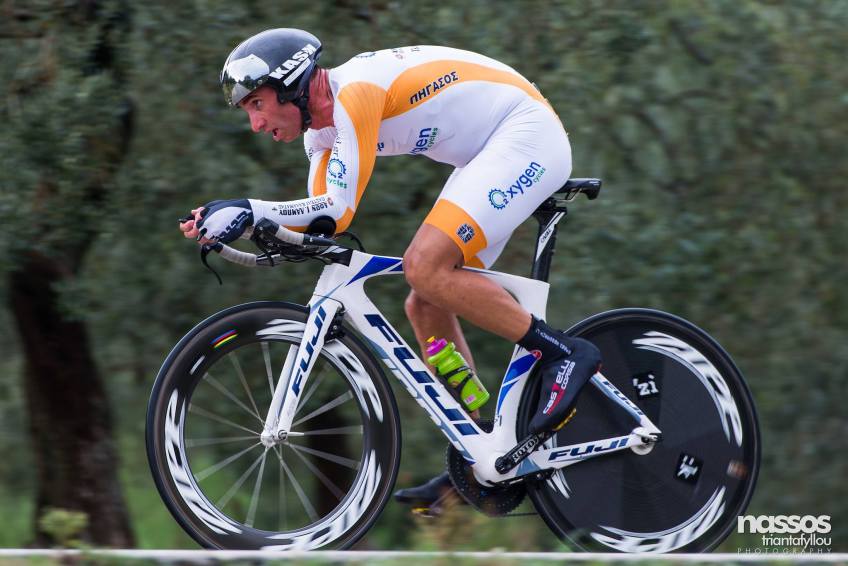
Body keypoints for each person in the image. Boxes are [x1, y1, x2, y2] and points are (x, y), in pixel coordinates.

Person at [179, 28, 601, 514]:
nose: (255, 124)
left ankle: (564, 352)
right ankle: (478, 450)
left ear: (290, 84)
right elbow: (320, 220)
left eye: (257, 104)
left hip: (525, 136)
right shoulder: (320, 134)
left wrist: (249, 208)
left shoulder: (355, 92)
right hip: (487, 154)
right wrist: (243, 224)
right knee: (425, 303)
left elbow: (338, 210)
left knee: (424, 266)